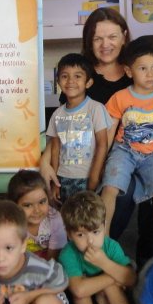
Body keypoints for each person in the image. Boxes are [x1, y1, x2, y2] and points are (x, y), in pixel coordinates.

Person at [40, 7, 153, 267]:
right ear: (89, 41)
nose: (105, 44)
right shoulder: (82, 73)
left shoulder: (144, 66)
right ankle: (103, 251)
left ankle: (149, 261)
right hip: (94, 160)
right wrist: (45, 160)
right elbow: (65, 123)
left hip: (148, 152)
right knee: (122, 190)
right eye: (97, 38)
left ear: (124, 36)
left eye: (112, 36)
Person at [101, 37, 153, 254]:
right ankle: (104, 239)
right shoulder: (120, 97)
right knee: (109, 188)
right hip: (124, 151)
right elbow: (108, 133)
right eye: (143, 68)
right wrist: (101, 163)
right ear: (128, 71)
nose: (150, 74)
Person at [58, 190, 140, 304]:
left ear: (104, 226)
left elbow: (131, 279)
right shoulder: (68, 253)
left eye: (95, 232)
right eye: (81, 235)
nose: (90, 241)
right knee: (82, 293)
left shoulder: (111, 246)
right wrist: (113, 276)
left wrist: (104, 262)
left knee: (110, 286)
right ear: (69, 234)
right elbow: (79, 289)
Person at [43, 52, 110, 202]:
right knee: (65, 214)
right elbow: (55, 148)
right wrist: (55, 182)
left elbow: (102, 144)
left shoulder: (96, 108)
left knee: (88, 215)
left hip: (87, 177)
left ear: (88, 82)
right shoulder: (57, 114)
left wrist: (94, 177)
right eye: (64, 76)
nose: (70, 81)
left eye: (77, 76)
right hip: (63, 178)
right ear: (58, 81)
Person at [7, 170, 67, 260]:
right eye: (28, 205)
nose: (37, 210)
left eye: (42, 202)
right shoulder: (8, 223)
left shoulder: (55, 220)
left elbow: (53, 259)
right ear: (14, 206)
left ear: (48, 198)